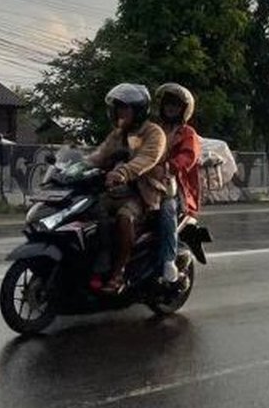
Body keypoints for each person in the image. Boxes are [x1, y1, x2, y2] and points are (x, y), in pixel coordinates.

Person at [86, 83, 167, 295]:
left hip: (142, 192)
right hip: (115, 191)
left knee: (124, 217)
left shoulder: (153, 133)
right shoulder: (117, 134)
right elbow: (98, 156)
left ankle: (119, 272)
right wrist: (71, 168)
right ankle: (98, 261)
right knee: (89, 211)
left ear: (139, 110)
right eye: (117, 108)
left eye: (124, 108)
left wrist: (123, 173)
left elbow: (146, 159)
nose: (118, 113)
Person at [153, 83, 202, 284]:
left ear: (183, 109)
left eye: (175, 105)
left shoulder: (187, 133)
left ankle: (168, 260)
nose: (170, 108)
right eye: (168, 104)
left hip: (174, 188)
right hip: (147, 182)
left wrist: (169, 167)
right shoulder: (154, 130)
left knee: (166, 210)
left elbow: (188, 157)